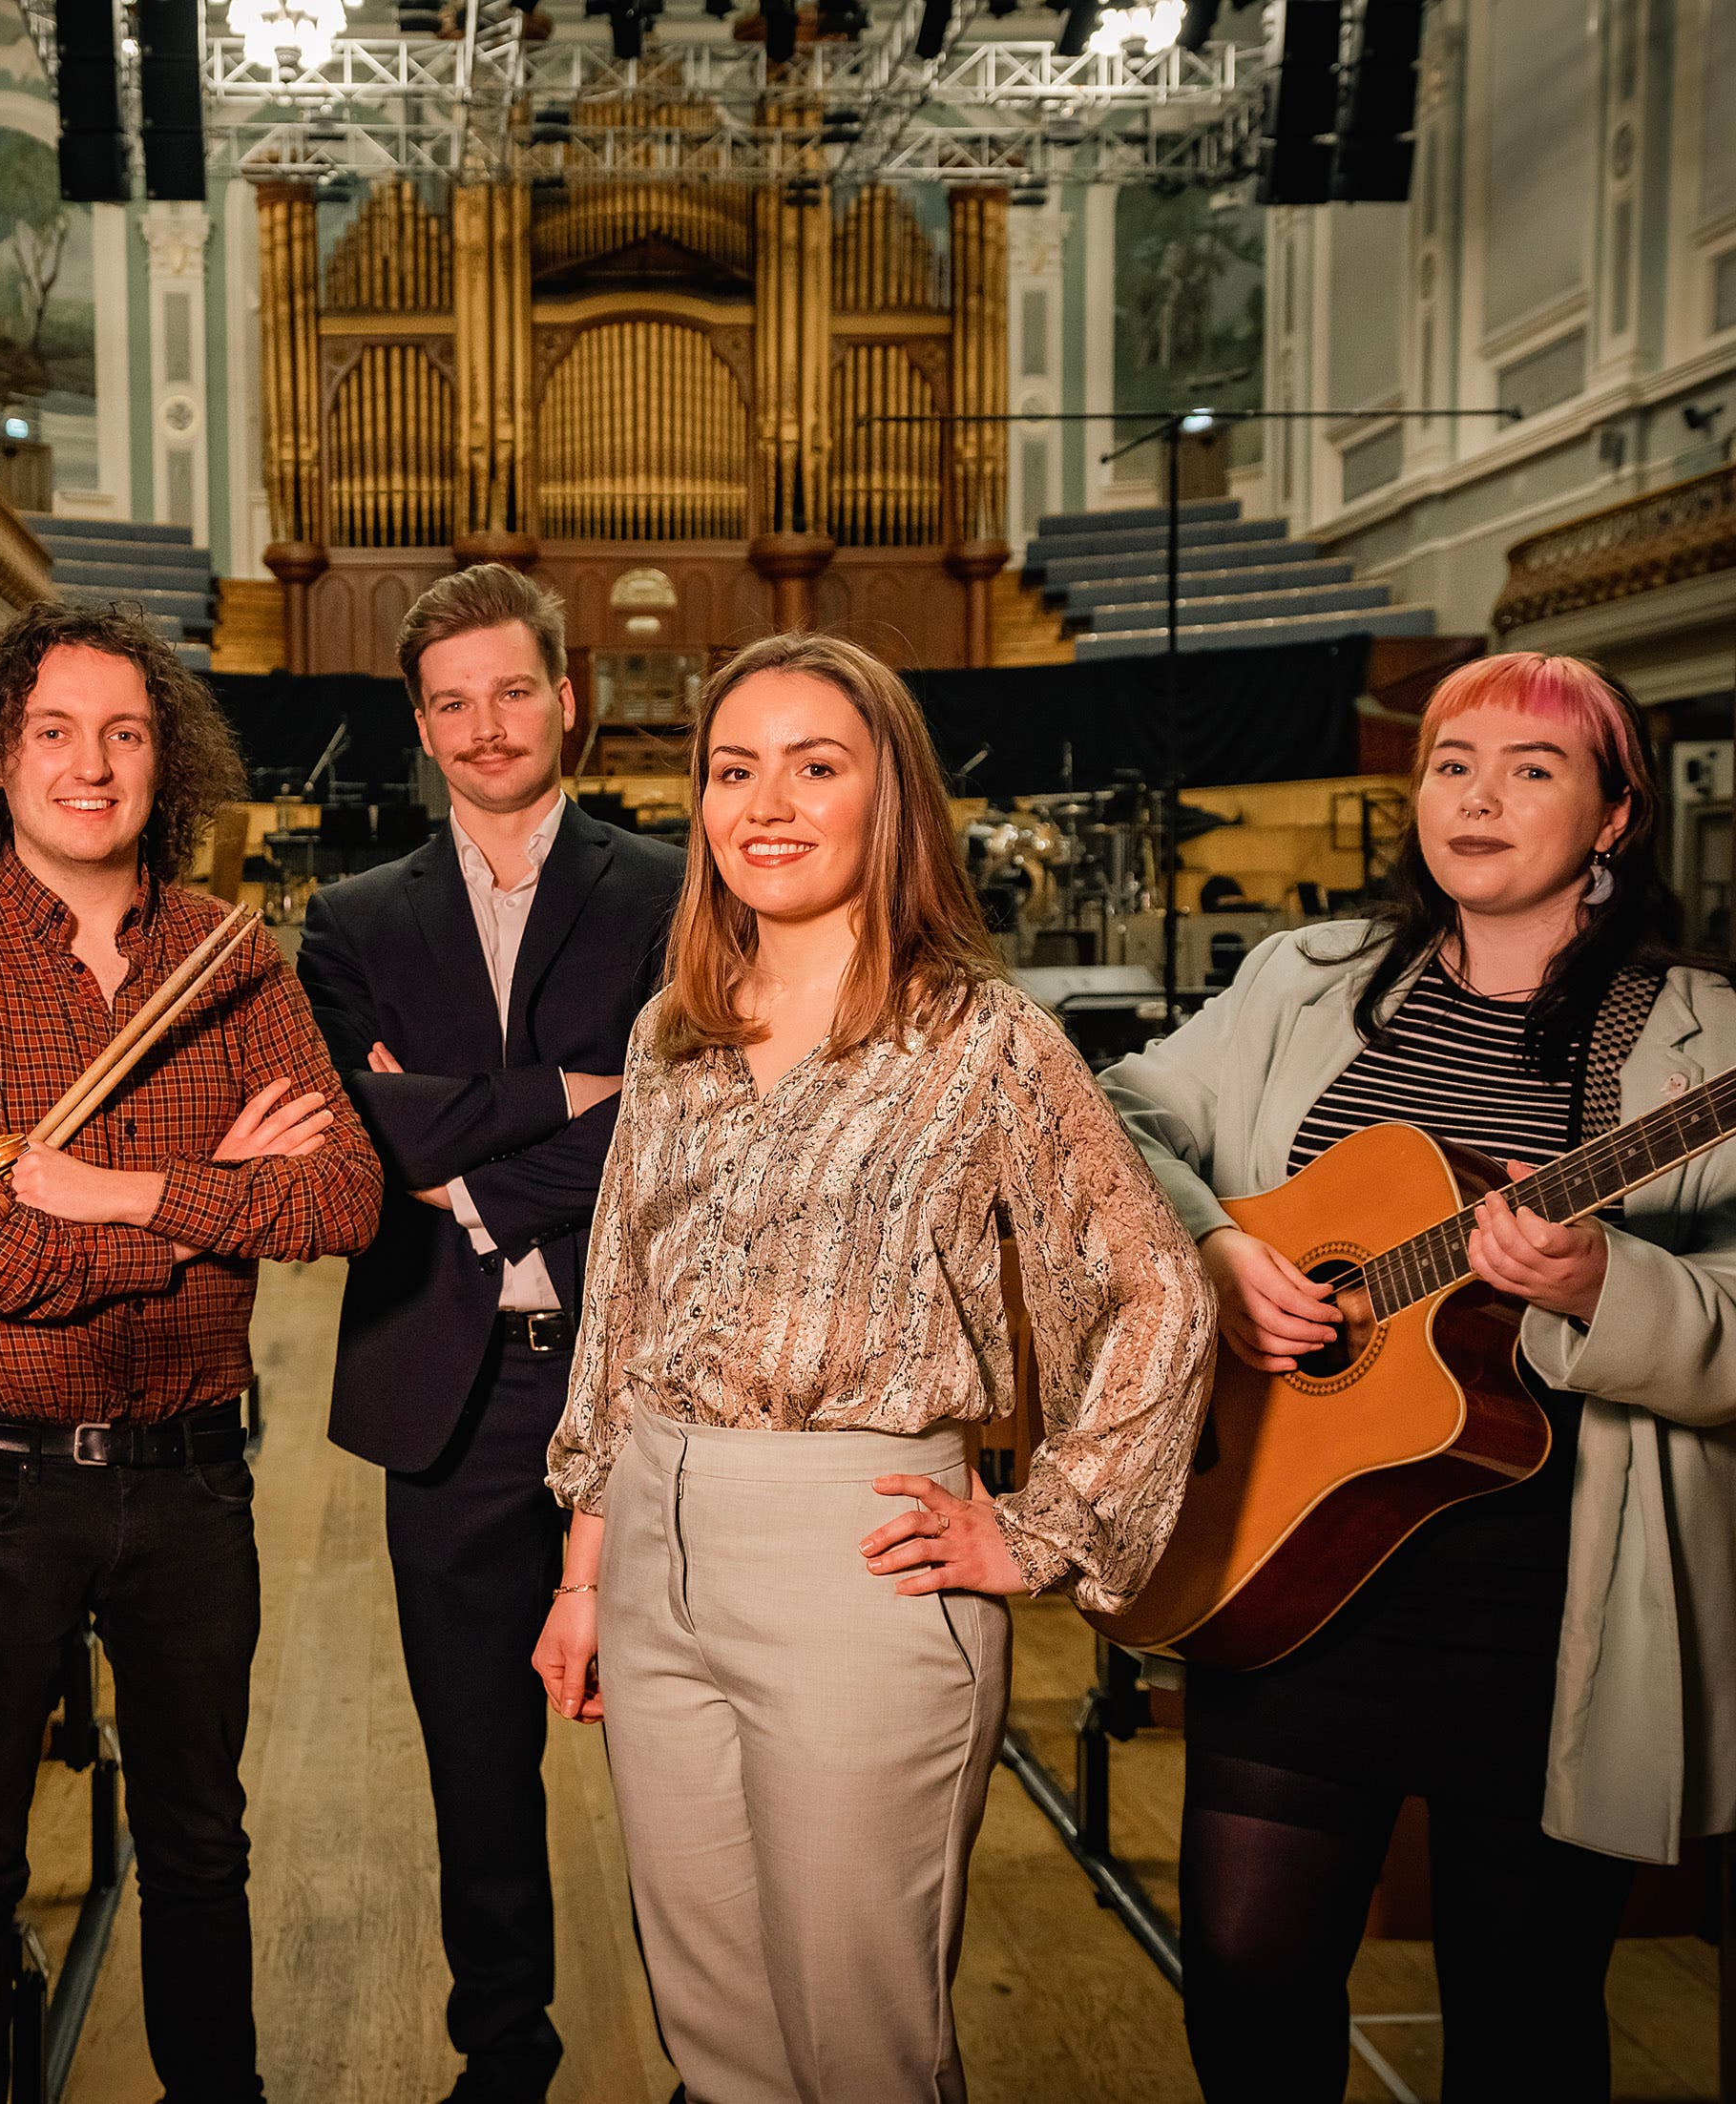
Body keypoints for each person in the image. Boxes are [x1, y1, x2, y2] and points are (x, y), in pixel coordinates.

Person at [1096, 651, 1736, 2103]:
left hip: (1549, 1595)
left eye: (1534, 766)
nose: (1480, 796)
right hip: (1286, 1546)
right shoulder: (1301, 982)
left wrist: (1600, 1283)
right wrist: (1207, 1247)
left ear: (1617, 813)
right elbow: (1118, 1115)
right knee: (1250, 1970)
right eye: (1453, 764)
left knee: (1521, 2013)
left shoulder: (1728, 1041)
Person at [533, 633, 1216, 2104]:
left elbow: (1159, 1291)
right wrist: (586, 1569)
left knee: (862, 2051)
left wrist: (1045, 1527)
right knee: (718, 2046)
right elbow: (623, 1307)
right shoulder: (675, 1033)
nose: (766, 803)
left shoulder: (986, 1041)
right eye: (733, 769)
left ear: (888, 798)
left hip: (862, 1555)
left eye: (815, 765)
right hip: (655, 1544)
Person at [0, 600, 385, 2104]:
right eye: (55, 732)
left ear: (168, 759)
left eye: (126, 733)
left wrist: (109, 1188)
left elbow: (344, 1195)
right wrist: (221, 1208)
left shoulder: (227, 953)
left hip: (190, 1474)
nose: (92, 764)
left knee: (201, 1845)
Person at [293, 565, 684, 2104]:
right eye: (451, 700)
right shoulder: (352, 918)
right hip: (444, 1392)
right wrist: (575, 1098)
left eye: (513, 689)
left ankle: (707, 2059)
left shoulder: (675, 889)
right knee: (476, 1764)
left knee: (675, 1760)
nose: (486, 725)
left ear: (567, 695)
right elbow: (350, 1135)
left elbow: (683, 1135)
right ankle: (501, 2062)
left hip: (639, 1382)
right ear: (419, 723)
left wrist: (459, 1146)